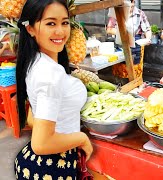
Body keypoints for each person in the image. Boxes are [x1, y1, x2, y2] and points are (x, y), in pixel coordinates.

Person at [14, 0, 93, 179]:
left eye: (64, 22)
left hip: (32, 164)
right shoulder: (50, 73)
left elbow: (31, 118)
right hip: (52, 167)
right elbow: (41, 144)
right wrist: (81, 138)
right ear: (30, 28)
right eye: (50, 23)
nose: (60, 31)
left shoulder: (35, 61)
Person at [106, 0, 151, 64]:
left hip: (136, 43)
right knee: (121, 66)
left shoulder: (140, 13)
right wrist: (122, 33)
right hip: (120, 43)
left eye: (131, 3)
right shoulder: (117, 12)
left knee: (135, 66)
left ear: (134, 2)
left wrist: (148, 39)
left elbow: (147, 29)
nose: (130, 6)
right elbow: (109, 29)